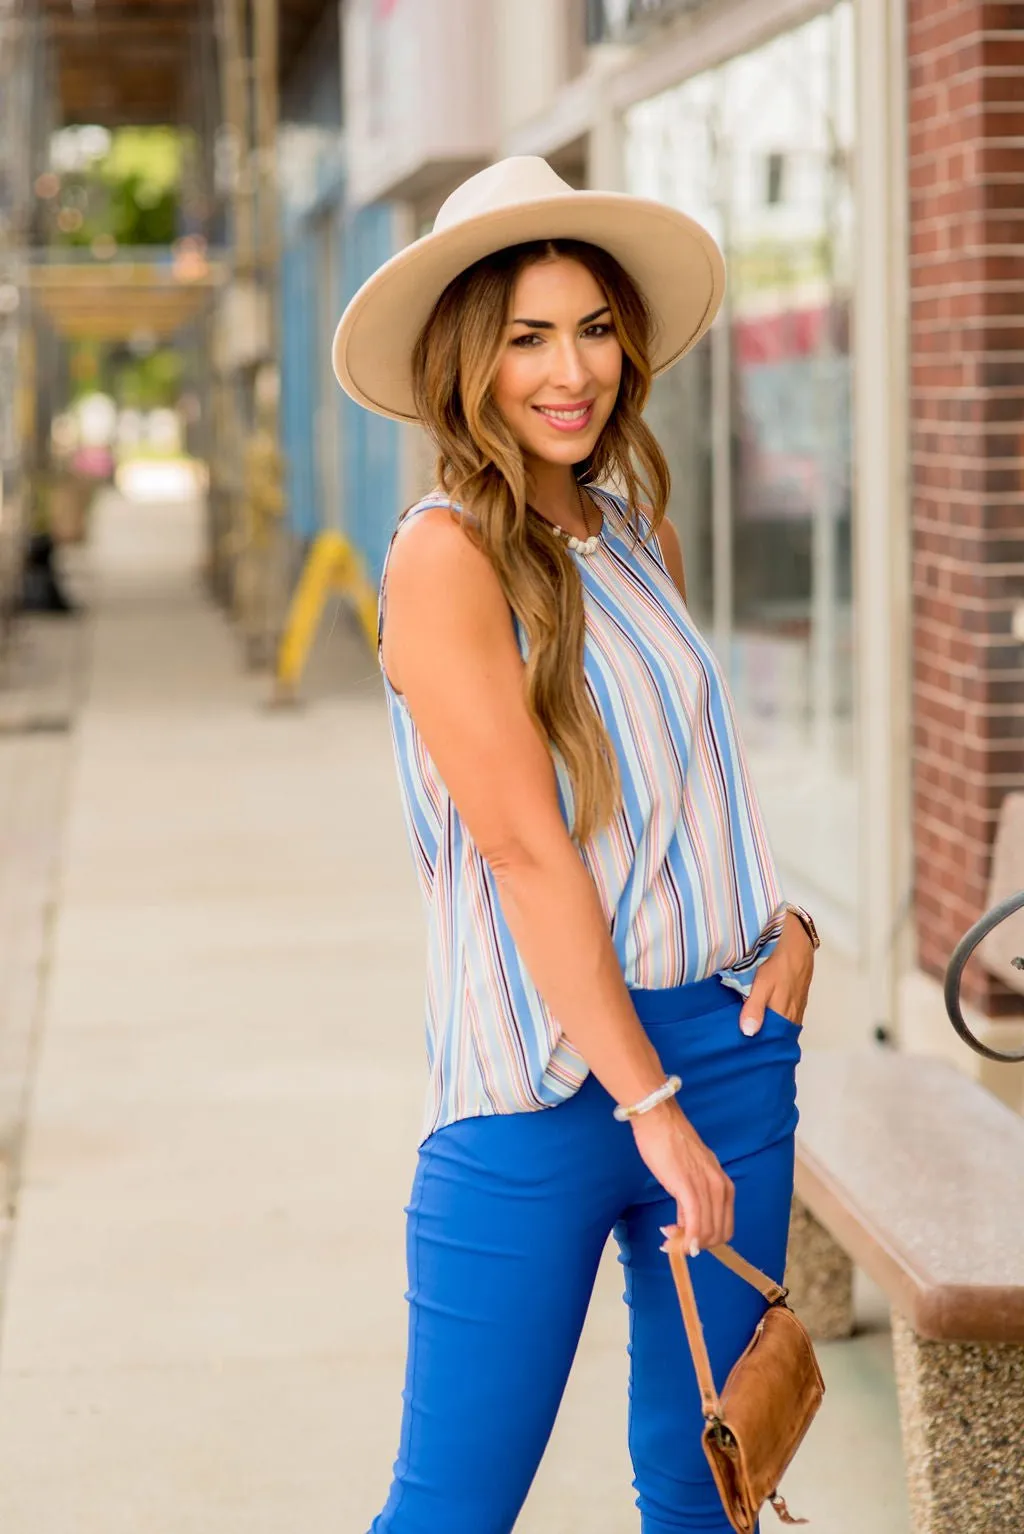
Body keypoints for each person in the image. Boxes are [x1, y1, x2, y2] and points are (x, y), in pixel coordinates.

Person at [332, 156, 820, 1534]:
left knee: (710, 1479)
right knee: (451, 1506)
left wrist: (788, 937)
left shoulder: (631, 530)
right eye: (528, 336)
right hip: (541, 1084)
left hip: (727, 1056)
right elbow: (526, 852)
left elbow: (685, 782)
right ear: (468, 362)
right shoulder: (443, 558)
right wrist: (648, 1103)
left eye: (595, 328)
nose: (572, 370)